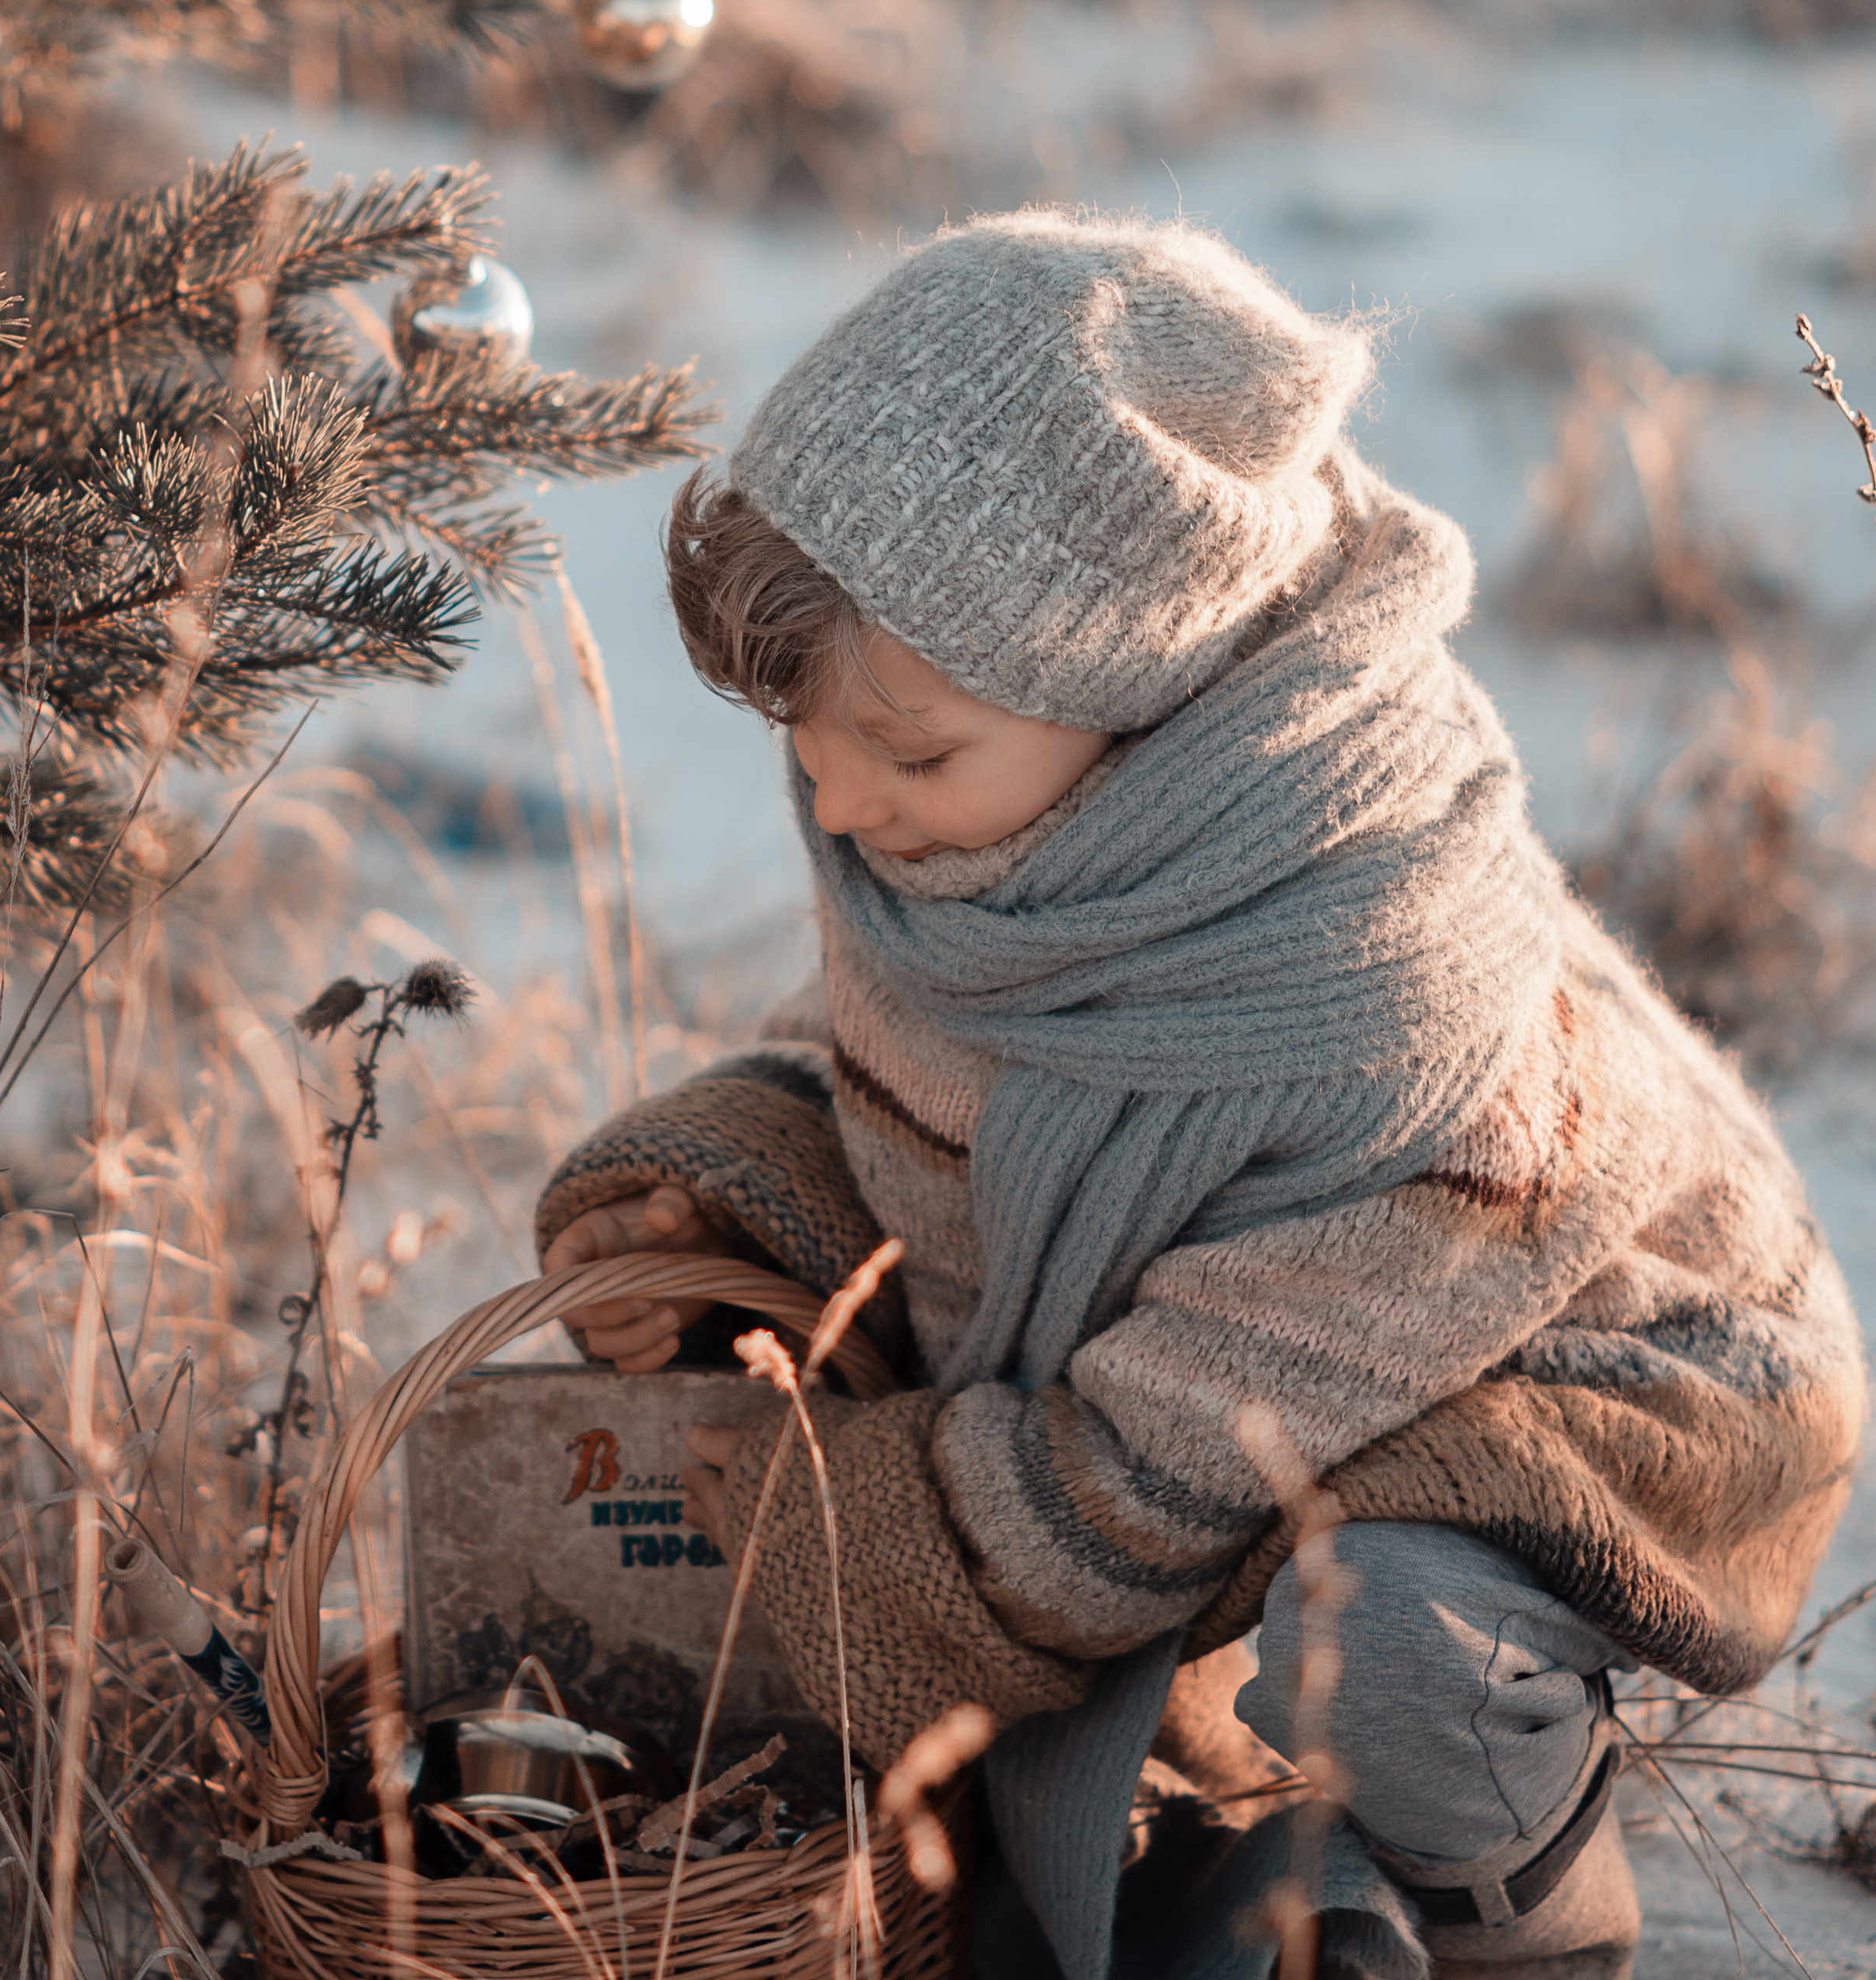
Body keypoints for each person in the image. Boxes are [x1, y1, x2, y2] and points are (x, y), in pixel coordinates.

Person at [532, 211, 1864, 1980]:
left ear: (1134, 678)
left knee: (1381, 1626)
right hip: (1245, 1357)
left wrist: (835, 1538)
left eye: (908, 745)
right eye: (800, 732)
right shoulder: (1005, 821)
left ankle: (1522, 1905)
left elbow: (1142, 1478)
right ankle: (1282, 1877)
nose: (839, 801)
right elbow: (956, 1075)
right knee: (1104, 1628)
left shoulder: (1379, 1010)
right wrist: (727, 1195)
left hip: (1575, 1354)